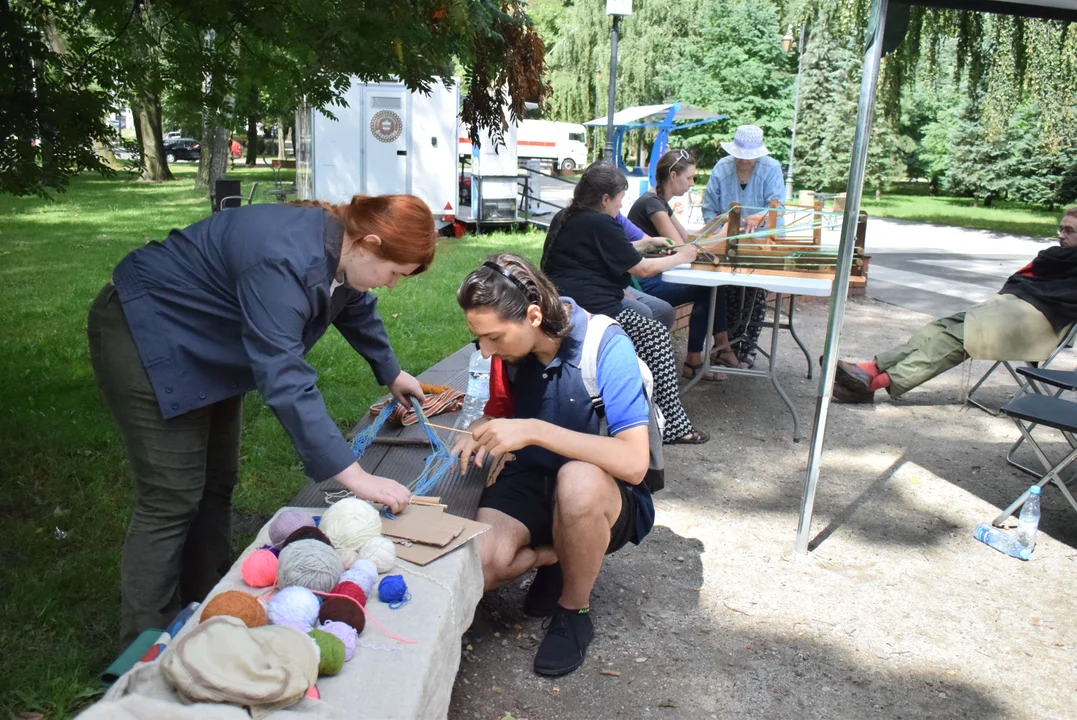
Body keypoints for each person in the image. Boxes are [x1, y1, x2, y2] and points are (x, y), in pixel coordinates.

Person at [87, 196, 434, 645]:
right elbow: (285, 378)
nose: (391, 286)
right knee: (171, 496)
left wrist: (391, 371)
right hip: (146, 329)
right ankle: (145, 645)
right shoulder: (284, 259)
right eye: (394, 274)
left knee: (217, 483)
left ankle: (209, 601)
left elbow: (354, 301)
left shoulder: (343, 250)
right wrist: (354, 476)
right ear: (368, 243)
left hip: (210, 337)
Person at [452, 254, 656, 676]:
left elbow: (635, 463)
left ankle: (573, 611)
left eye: (493, 338)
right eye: (480, 340)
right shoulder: (509, 357)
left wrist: (534, 431)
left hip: (603, 494)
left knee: (576, 478)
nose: (486, 350)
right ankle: (558, 557)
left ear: (532, 315)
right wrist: (479, 431)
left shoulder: (605, 345)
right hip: (531, 479)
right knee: (480, 565)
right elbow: (499, 414)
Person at [540, 161, 709, 445]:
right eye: (619, 201)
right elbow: (642, 270)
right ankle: (672, 426)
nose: (620, 207)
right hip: (590, 308)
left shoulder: (570, 216)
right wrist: (683, 256)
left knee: (653, 314)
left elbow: (613, 249)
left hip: (569, 299)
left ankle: (643, 397)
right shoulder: (600, 222)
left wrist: (647, 244)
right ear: (605, 199)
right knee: (654, 335)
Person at [834, 208, 1077, 403]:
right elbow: (1022, 283)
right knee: (941, 327)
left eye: (1069, 231)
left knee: (958, 338)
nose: (1061, 235)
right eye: (1061, 228)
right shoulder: (1053, 257)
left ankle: (871, 384)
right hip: (1009, 310)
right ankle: (870, 368)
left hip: (1037, 326)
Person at [628, 149, 735, 378]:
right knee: (709, 290)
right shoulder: (652, 204)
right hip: (641, 284)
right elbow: (681, 248)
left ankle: (719, 348)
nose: (692, 183)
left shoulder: (659, 202)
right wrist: (723, 233)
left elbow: (687, 238)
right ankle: (698, 360)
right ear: (673, 176)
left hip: (652, 276)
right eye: (689, 178)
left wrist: (717, 223)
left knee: (713, 287)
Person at [701, 125, 787, 369]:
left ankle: (747, 349)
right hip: (726, 240)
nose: (744, 162)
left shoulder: (770, 168)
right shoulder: (721, 168)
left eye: (749, 158)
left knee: (755, 294)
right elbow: (709, 207)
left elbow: (778, 207)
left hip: (760, 242)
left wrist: (758, 217)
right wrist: (723, 225)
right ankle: (725, 348)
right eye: (740, 157)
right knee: (725, 291)